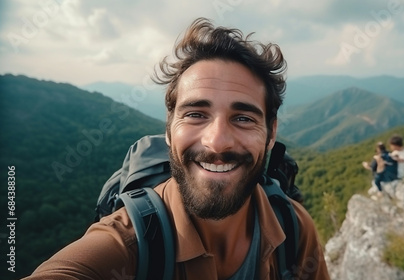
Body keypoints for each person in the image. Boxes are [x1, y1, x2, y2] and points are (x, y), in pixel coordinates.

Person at [25, 18, 329, 279]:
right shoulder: (127, 245)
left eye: (243, 118)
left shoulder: (294, 230)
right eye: (196, 114)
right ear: (169, 130)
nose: (217, 141)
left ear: (271, 133)